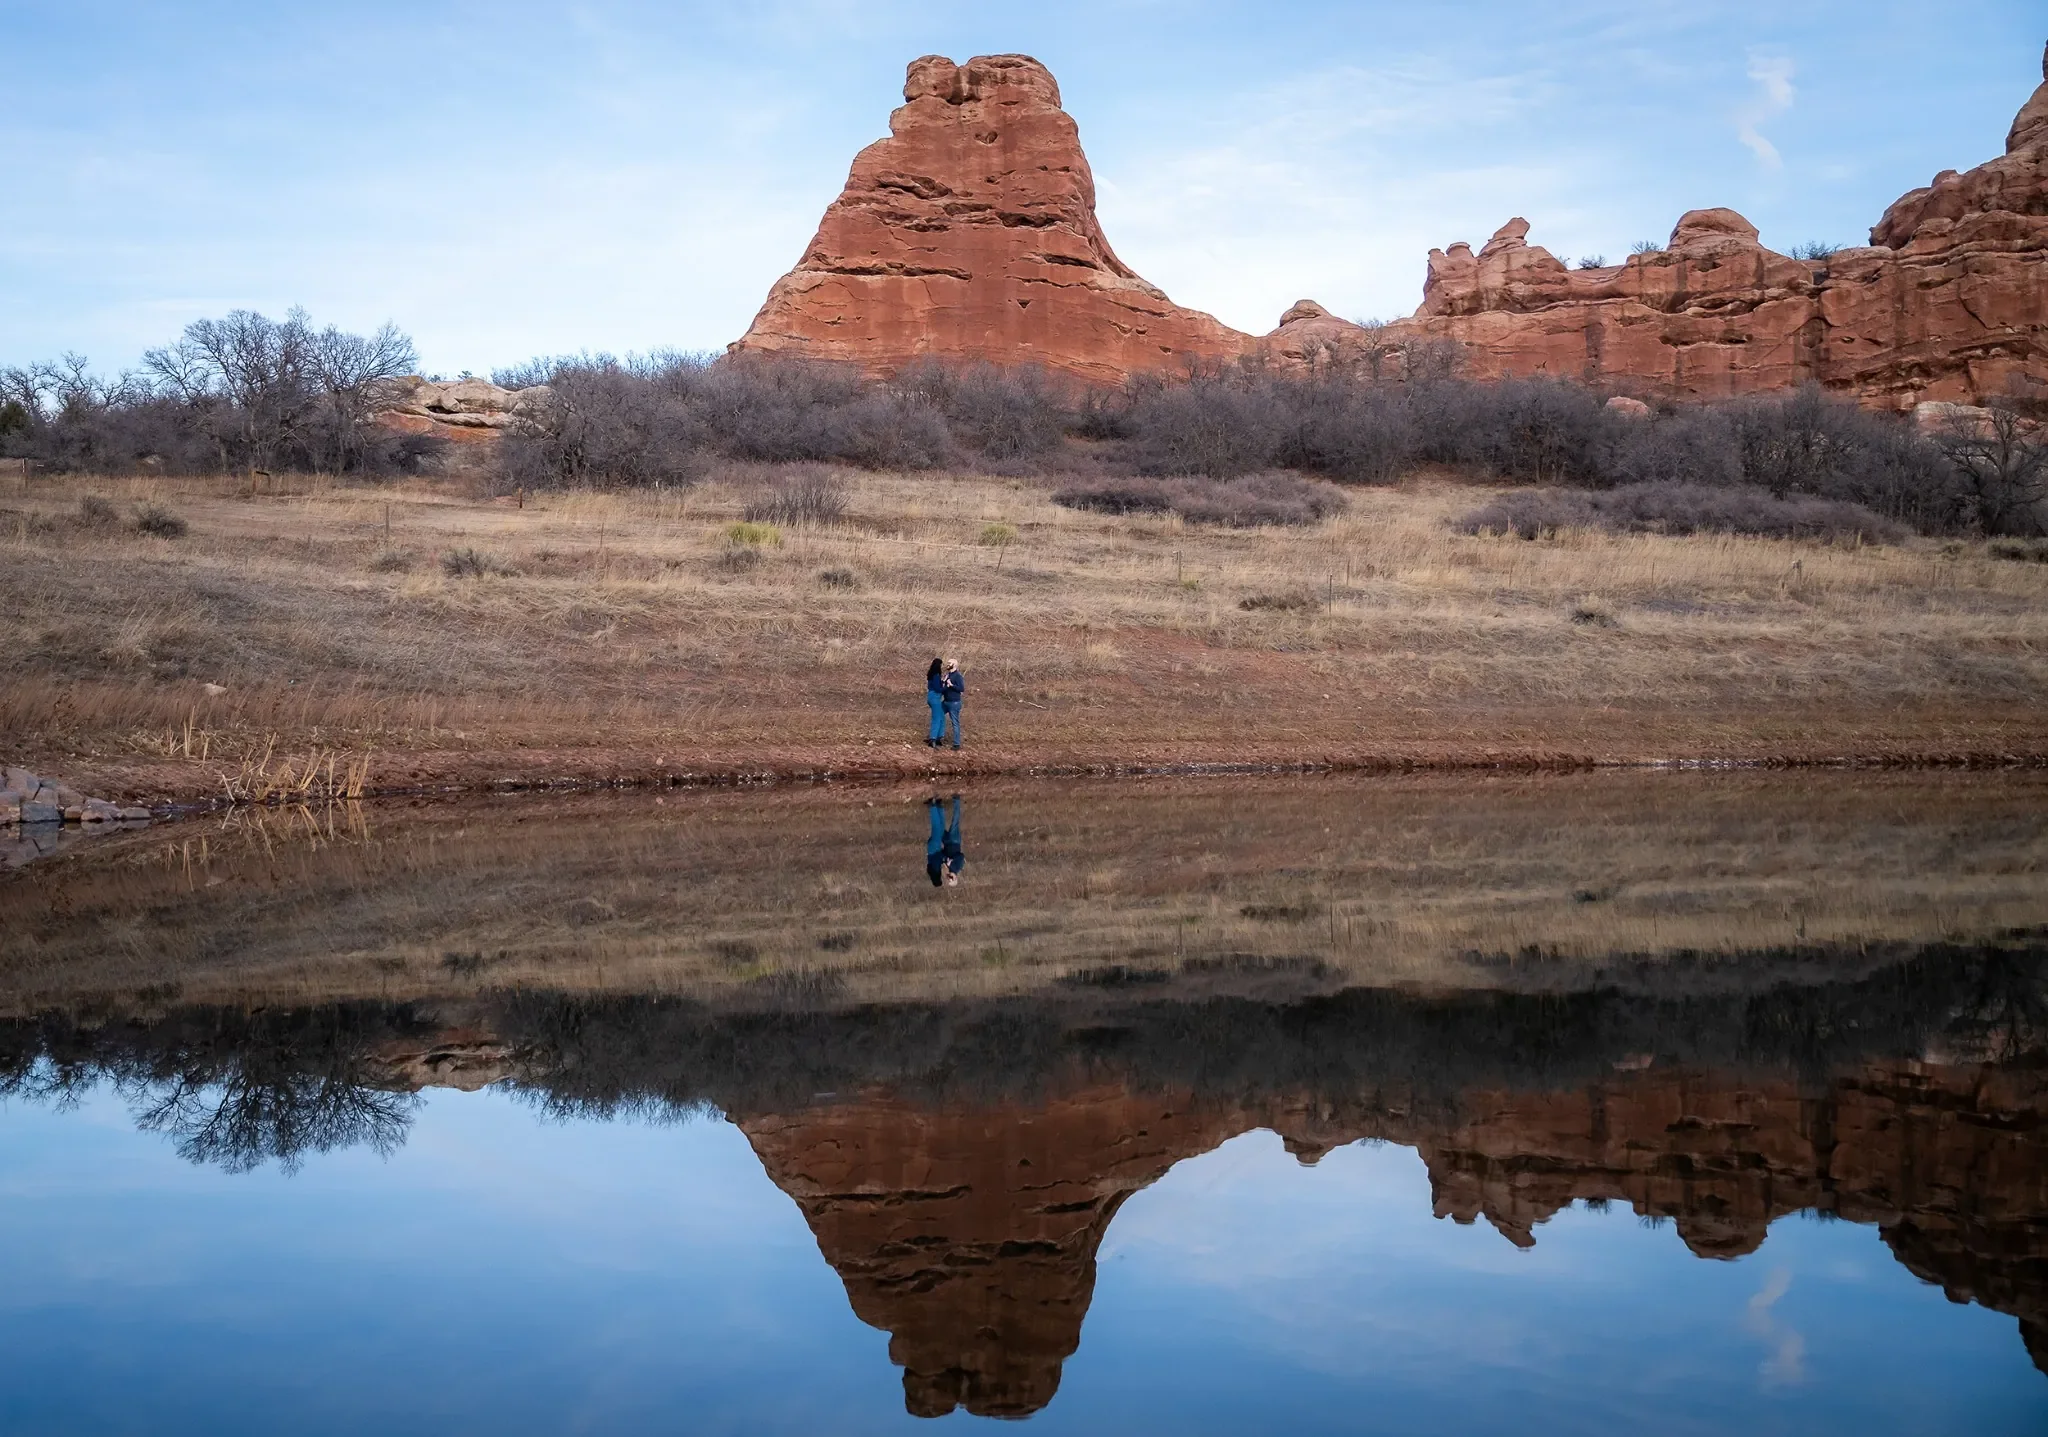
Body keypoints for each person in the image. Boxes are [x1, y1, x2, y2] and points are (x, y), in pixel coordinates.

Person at [926, 794, 964, 887]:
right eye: (951, 879)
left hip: (946, 843)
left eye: (948, 880)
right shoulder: (957, 867)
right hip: (954, 842)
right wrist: (950, 860)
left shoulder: (947, 867)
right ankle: (955, 801)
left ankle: (938, 806)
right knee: (954, 821)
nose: (949, 878)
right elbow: (961, 856)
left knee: (939, 828)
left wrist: (945, 859)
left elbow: (941, 855)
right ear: (955, 878)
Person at [940, 659, 965, 751]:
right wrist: (943, 682)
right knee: (938, 715)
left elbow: (961, 688)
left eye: (949, 663)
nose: (947, 664)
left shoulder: (958, 676)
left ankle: (957, 744)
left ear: (954, 665)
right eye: (948, 663)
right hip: (946, 701)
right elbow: (944, 687)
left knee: (955, 722)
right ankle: (937, 737)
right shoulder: (947, 675)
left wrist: (951, 685)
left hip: (954, 703)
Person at [924, 657, 946, 747]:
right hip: (935, 698)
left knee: (941, 716)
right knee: (937, 718)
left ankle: (938, 737)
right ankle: (933, 738)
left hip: (931, 696)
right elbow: (937, 689)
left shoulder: (931, 675)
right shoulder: (936, 675)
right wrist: (946, 688)